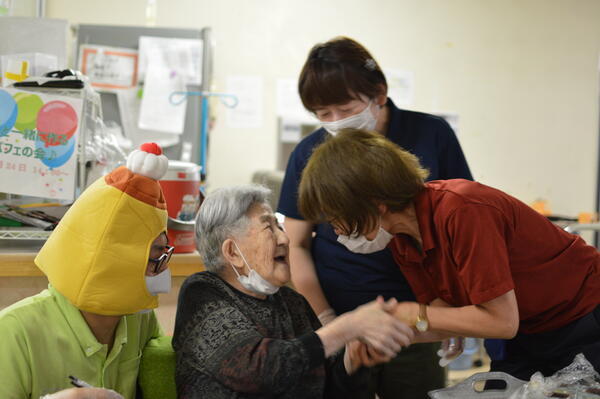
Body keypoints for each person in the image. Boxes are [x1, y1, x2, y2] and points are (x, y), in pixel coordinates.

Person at [297, 128, 600, 381]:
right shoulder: (402, 239)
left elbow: (501, 321)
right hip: (528, 331)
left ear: (375, 204)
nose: (336, 230)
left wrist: (407, 314)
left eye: (336, 217)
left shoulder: (462, 209)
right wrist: (389, 334)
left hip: (582, 316)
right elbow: (441, 311)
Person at [277, 36, 472, 398]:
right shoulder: (309, 153)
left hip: (419, 319)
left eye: (345, 107)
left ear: (379, 94)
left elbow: (459, 233)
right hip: (342, 313)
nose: (335, 121)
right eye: (323, 114)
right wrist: (328, 322)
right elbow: (297, 245)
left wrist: (454, 313)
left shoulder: (430, 135)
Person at [172, 184, 415, 399]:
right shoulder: (202, 293)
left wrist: (351, 362)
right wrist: (346, 327)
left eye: (279, 225)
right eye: (269, 227)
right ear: (233, 252)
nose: (285, 239)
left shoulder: (291, 302)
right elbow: (256, 369)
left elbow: (330, 389)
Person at [0, 143, 174, 399]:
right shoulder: (14, 332)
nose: (163, 270)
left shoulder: (139, 318)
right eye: (155, 255)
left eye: (164, 253)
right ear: (111, 263)